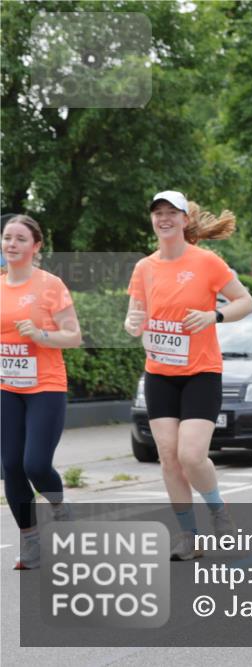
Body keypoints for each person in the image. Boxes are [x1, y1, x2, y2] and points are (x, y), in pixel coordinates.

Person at [125, 192, 252, 560]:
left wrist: (215, 316)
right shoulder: (144, 268)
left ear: (184, 219)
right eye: (158, 213)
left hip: (201, 372)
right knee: (168, 457)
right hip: (160, 373)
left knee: (192, 455)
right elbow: (135, 317)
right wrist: (132, 323)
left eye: (171, 213)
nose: (164, 219)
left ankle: (217, 509)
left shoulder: (207, 262)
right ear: (152, 220)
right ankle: (188, 536)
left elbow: (243, 301)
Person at [1, 215, 82, 569]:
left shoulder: (50, 285)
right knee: (11, 467)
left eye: (20, 239)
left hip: (45, 387)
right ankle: (31, 542)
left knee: (35, 463)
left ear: (36, 246)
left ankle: (60, 508)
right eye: (7, 238)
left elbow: (74, 336)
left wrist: (39, 334)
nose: (11, 244)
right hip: (6, 387)